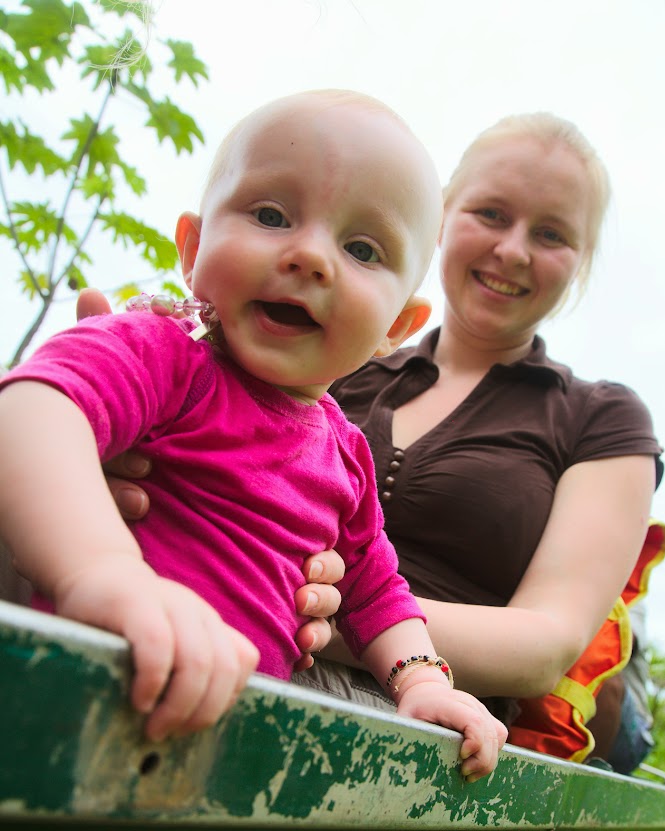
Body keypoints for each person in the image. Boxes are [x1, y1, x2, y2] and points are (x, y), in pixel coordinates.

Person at [0, 89, 508, 778]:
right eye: (271, 215)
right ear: (193, 246)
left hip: (226, 739)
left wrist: (422, 681)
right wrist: (102, 571)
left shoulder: (344, 450)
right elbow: (35, 407)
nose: (309, 256)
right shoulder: (166, 351)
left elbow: (376, 588)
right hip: (87, 685)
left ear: (396, 327)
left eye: (362, 248)